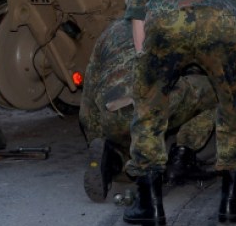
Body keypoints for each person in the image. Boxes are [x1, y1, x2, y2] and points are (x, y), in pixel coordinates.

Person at [122, 0, 236, 226]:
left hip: (167, 23)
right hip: (221, 23)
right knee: (233, 108)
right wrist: (235, 60)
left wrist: (146, 65)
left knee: (149, 112)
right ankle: (232, 202)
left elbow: (138, 14)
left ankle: (150, 207)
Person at [79, 17, 217, 202]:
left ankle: (112, 157)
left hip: (111, 113)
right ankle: (182, 156)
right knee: (218, 90)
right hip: (149, 110)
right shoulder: (172, 24)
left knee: (124, 138)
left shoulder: (110, 32)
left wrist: (96, 137)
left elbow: (88, 99)